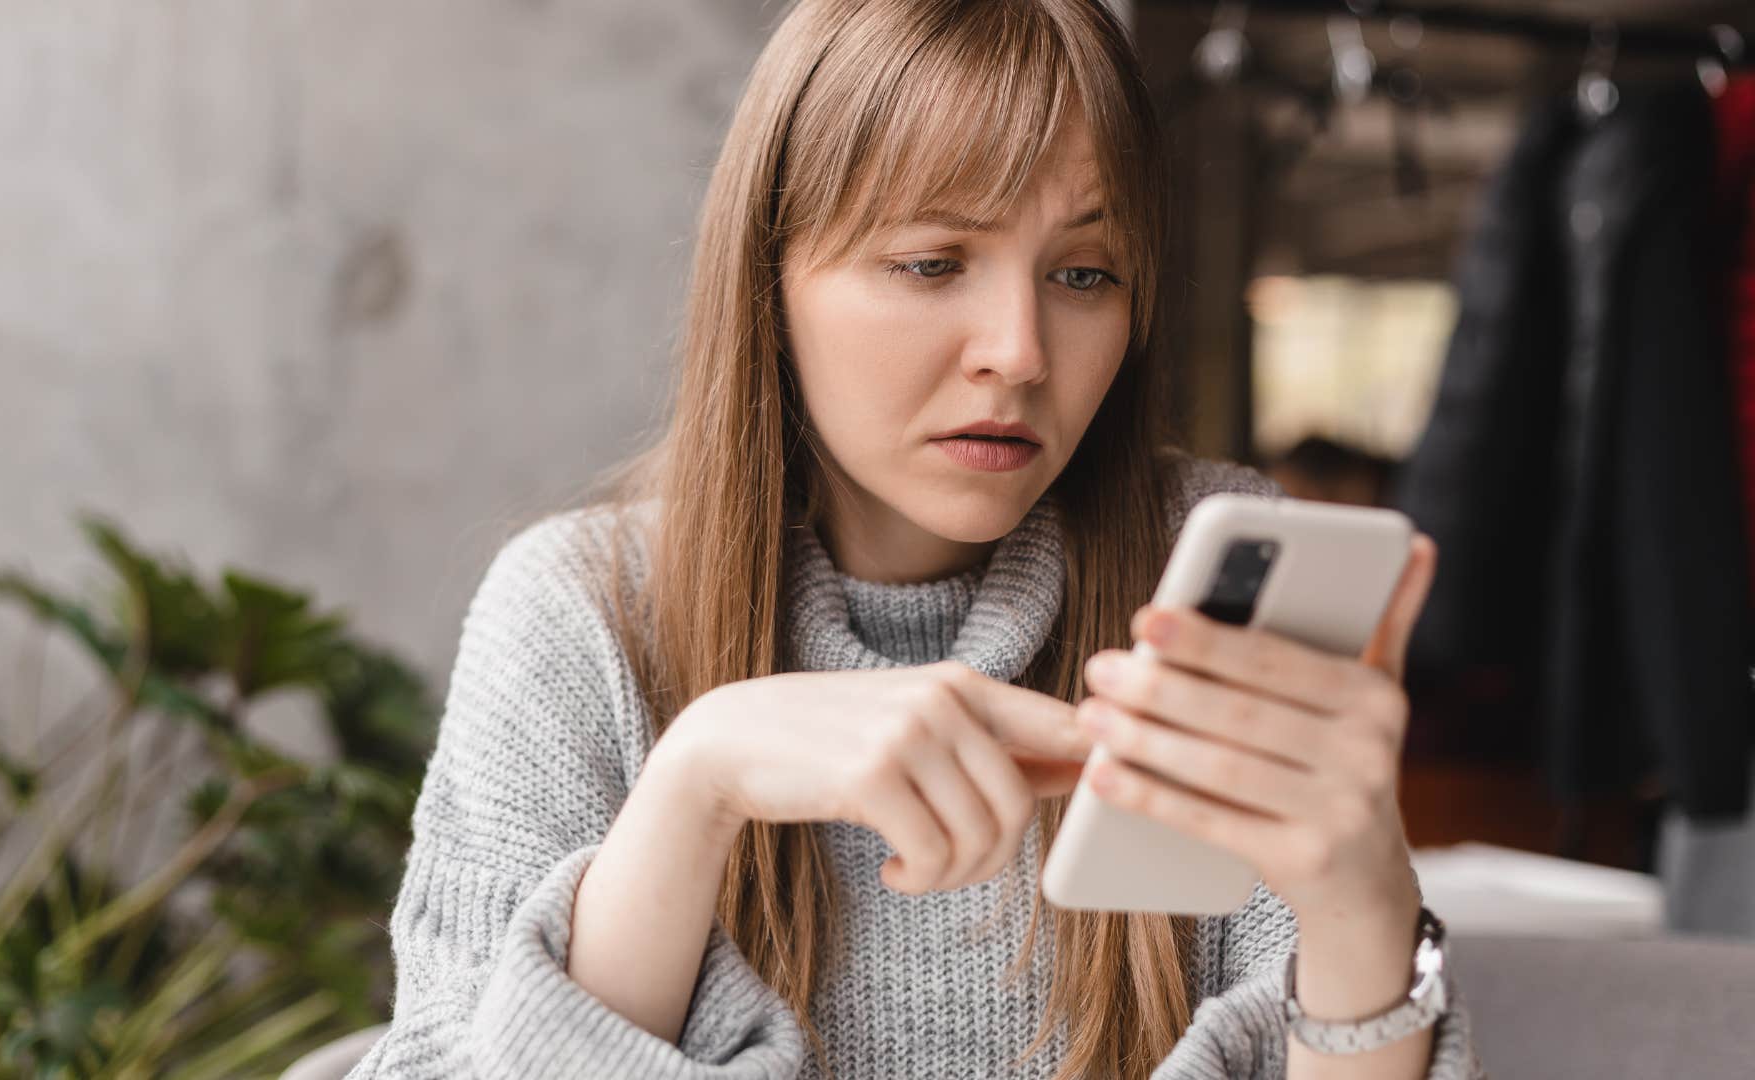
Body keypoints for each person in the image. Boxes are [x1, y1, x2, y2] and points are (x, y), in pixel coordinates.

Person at [347, 1, 1482, 1077]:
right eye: (933, 262)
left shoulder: (1197, 572)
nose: (1020, 351)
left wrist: (1364, 902)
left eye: (1084, 273)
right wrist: (694, 787)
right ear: (770, 278)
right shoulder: (584, 608)